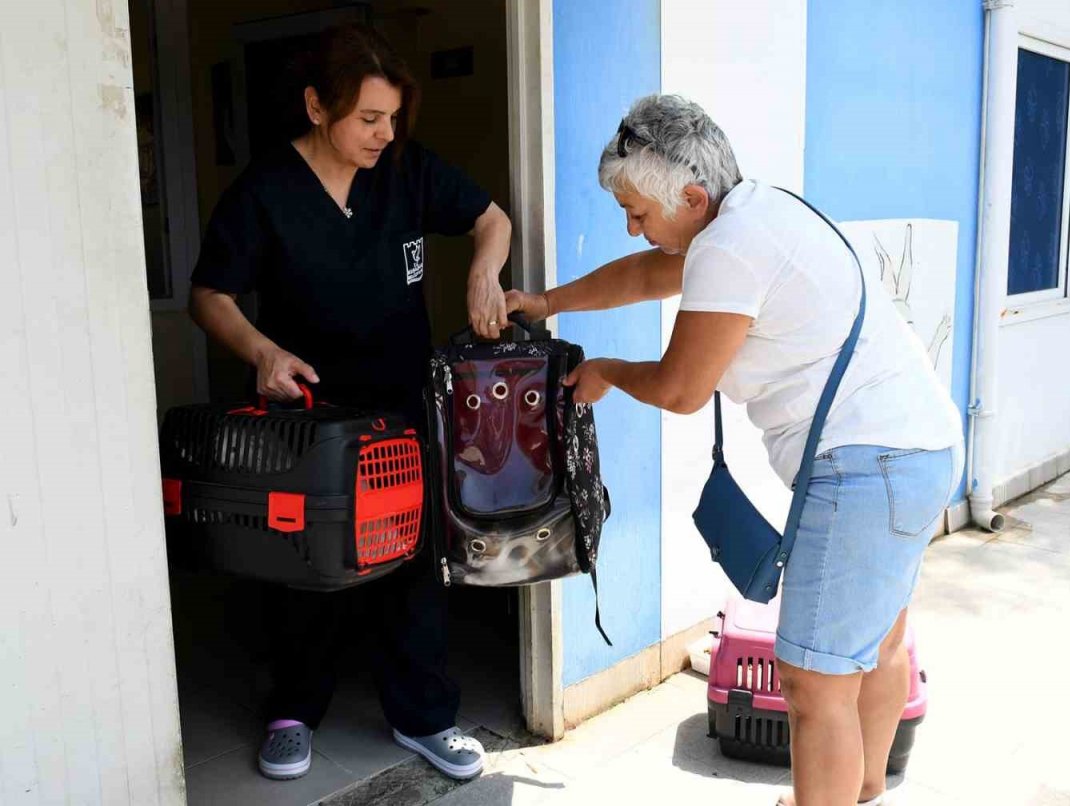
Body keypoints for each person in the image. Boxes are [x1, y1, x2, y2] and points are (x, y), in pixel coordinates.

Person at [504, 94, 964, 806]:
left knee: (814, 684)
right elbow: (642, 275)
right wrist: (544, 303)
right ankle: (862, 786)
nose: (631, 225)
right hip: (918, 447)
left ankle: (832, 796)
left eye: (638, 212)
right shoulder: (755, 215)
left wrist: (606, 373)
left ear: (691, 196)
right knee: (874, 646)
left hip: (869, 465)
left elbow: (683, 388)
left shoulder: (727, 246)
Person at [188, 24, 510, 782]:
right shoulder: (266, 191)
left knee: (410, 562)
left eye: (392, 117)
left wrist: (482, 274)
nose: (384, 133)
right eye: (369, 117)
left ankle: (425, 717)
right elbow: (210, 295)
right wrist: (262, 351)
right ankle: (293, 712)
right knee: (305, 568)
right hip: (306, 417)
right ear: (316, 106)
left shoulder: (406, 170)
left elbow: (490, 219)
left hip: (400, 403)